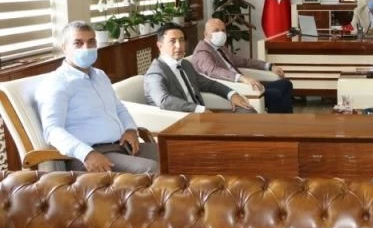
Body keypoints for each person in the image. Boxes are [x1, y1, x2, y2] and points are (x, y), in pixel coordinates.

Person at [35, 21, 159, 173]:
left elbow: (119, 108)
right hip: (91, 155)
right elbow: (52, 130)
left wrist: (131, 129)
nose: (86, 48)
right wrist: (86, 154)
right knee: (151, 169)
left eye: (91, 42)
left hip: (122, 146)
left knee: (176, 153)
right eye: (78, 43)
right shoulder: (56, 83)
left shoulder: (100, 75)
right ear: (64, 47)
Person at [144, 23, 256, 113]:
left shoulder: (185, 64)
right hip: (180, 122)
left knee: (247, 110)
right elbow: (164, 101)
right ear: (160, 46)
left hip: (201, 116)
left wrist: (232, 94)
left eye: (181, 40)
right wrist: (199, 110)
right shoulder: (155, 73)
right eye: (172, 41)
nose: (179, 46)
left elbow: (209, 84)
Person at [192, 18, 294, 113]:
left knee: (285, 84)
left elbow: (243, 61)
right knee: (275, 94)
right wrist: (242, 78)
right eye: (216, 30)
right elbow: (213, 71)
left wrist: (269, 66)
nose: (221, 33)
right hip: (234, 89)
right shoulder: (202, 52)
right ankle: (277, 124)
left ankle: (286, 121)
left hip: (245, 85)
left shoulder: (221, 48)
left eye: (223, 30)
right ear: (205, 33)